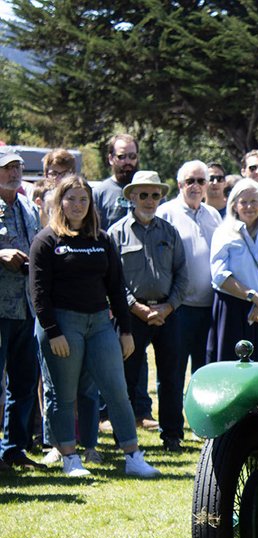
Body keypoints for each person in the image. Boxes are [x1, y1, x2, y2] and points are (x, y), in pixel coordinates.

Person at [28, 175, 158, 478]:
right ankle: (70, 458)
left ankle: (133, 455)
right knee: (64, 394)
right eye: (71, 198)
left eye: (83, 199)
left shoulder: (101, 239)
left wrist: (125, 331)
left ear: (91, 204)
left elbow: (116, 286)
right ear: (59, 202)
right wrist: (52, 330)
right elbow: (38, 293)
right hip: (62, 323)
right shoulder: (46, 240)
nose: (77, 205)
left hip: (101, 323)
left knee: (117, 390)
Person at [109, 171, 189, 451]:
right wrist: (136, 307)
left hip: (168, 313)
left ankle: (172, 436)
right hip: (130, 314)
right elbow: (112, 279)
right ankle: (124, 437)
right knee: (126, 377)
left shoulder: (170, 232)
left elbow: (182, 275)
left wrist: (168, 307)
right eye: (143, 194)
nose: (150, 200)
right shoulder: (116, 233)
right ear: (131, 197)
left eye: (155, 195)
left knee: (172, 376)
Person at [207, 179, 258, 366]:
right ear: (234, 205)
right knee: (232, 367)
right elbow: (220, 275)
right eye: (243, 202)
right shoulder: (223, 232)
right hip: (232, 310)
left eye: (254, 201)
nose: (249, 206)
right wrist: (254, 298)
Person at [157, 160, 223, 382]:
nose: (195, 186)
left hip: (209, 307)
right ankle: (172, 418)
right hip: (178, 307)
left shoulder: (213, 215)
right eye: (190, 181)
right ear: (179, 184)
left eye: (201, 181)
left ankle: (199, 417)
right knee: (172, 372)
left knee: (205, 372)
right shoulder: (166, 213)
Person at [0, 147, 43, 472]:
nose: (14, 172)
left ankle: (14, 448)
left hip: (27, 309)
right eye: (6, 167)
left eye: (16, 166)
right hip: (1, 309)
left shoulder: (29, 207)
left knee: (25, 382)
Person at [93, 133, 140, 232]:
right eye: (121, 156)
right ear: (111, 159)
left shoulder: (152, 192)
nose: (128, 161)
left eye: (132, 156)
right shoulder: (98, 194)